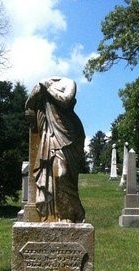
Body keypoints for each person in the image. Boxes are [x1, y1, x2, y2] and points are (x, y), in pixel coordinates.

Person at [25, 77, 85, 222]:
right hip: (51, 136)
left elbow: (66, 100)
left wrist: (47, 87)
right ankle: (63, 214)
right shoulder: (41, 84)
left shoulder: (69, 82)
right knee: (60, 174)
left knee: (67, 177)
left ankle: (70, 214)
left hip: (70, 135)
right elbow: (28, 105)